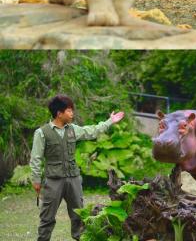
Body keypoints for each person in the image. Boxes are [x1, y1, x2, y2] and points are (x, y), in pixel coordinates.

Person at [30, 95, 125, 241]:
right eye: (69, 111)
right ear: (59, 113)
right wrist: (36, 180)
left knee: (79, 216)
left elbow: (92, 131)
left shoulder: (73, 129)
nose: (72, 113)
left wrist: (109, 121)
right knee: (47, 218)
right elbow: (36, 158)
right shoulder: (42, 133)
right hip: (53, 181)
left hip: (73, 179)